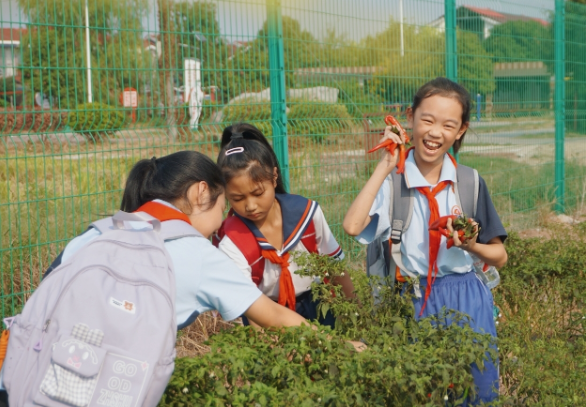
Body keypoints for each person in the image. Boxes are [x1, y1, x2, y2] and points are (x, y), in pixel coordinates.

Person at [343, 77, 507, 404]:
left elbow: (499, 255)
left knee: (478, 391)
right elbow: (351, 226)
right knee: (417, 391)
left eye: (448, 124)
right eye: (427, 120)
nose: (435, 133)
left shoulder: (469, 181)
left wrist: (469, 245)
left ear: (460, 131)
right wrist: (385, 165)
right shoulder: (394, 184)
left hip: (467, 296)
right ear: (410, 117)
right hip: (412, 297)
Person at [215, 123, 355, 327]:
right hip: (263, 313)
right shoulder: (233, 241)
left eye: (257, 193)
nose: (251, 206)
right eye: (237, 198)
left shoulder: (306, 214)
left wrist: (357, 317)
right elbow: (251, 309)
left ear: (273, 177)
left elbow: (336, 269)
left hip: (317, 305)